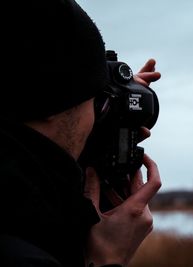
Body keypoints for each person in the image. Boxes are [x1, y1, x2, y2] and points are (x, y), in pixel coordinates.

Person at [0, 0, 162, 266]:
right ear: (55, 100)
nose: (97, 115)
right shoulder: (23, 250)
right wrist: (107, 258)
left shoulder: (17, 202)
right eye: (95, 100)